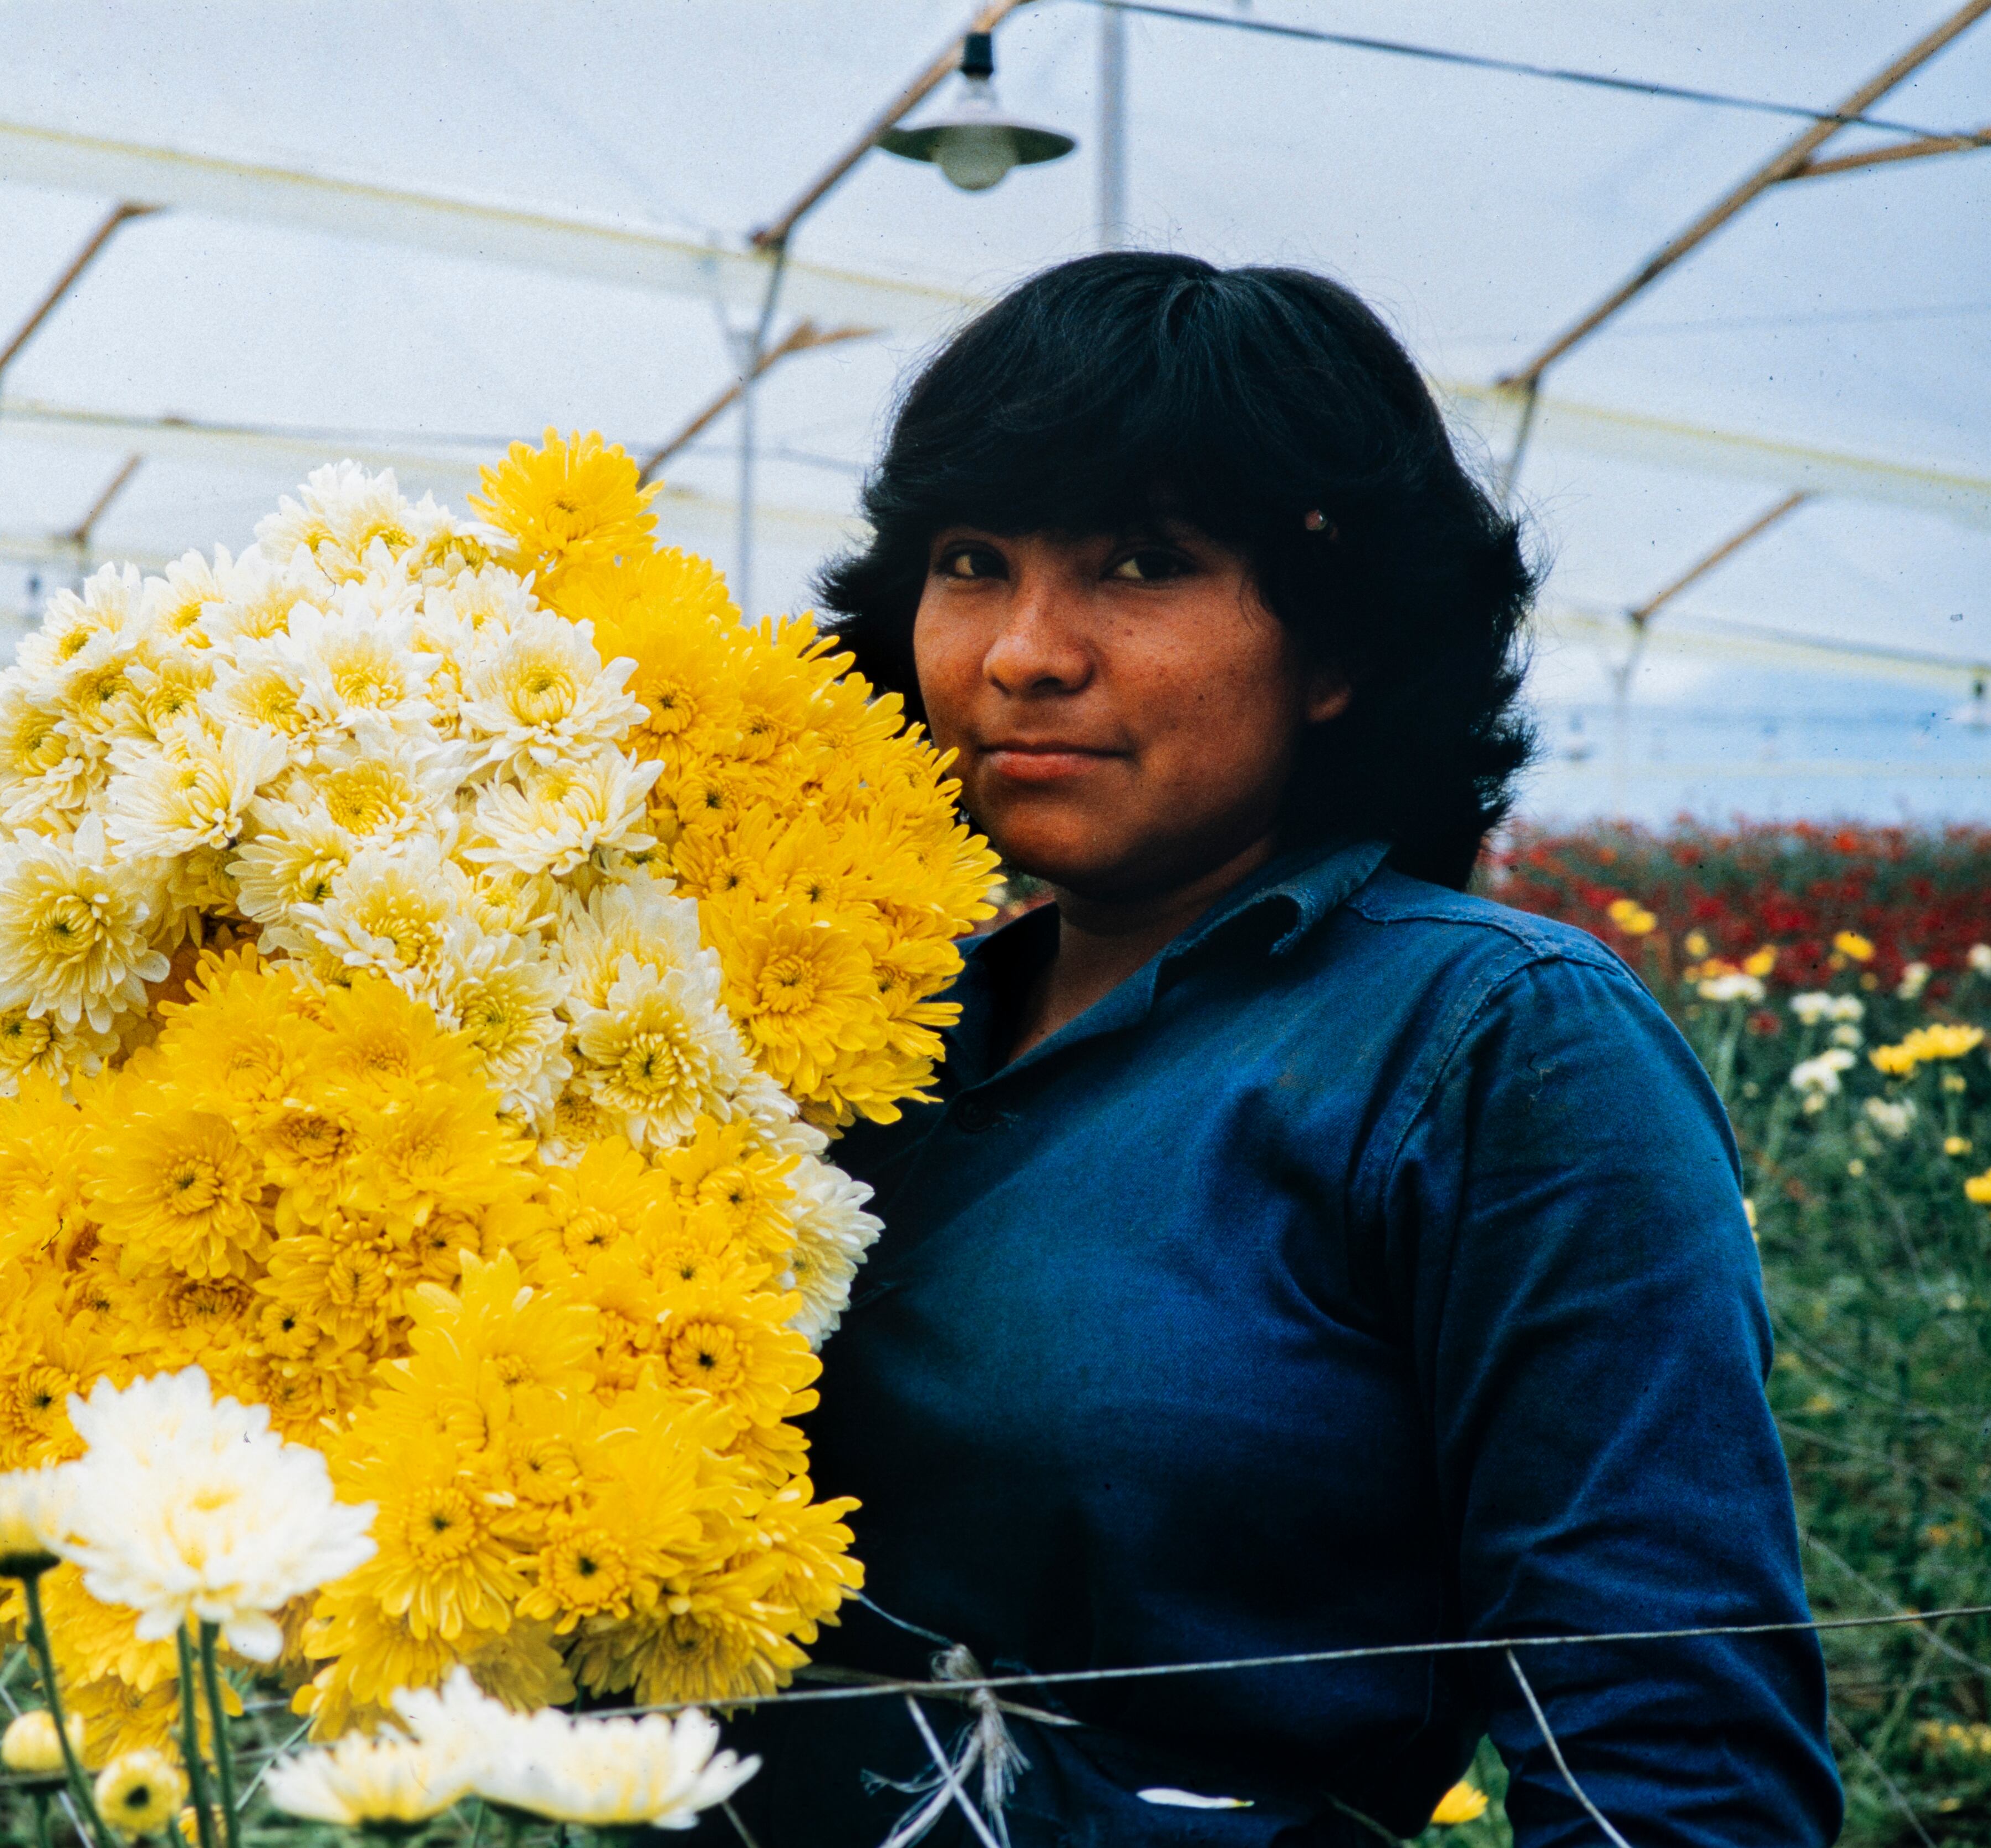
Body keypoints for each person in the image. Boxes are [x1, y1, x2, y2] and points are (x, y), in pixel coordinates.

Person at [707, 253, 1842, 1846]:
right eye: (973, 561)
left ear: (1339, 652)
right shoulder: (828, 1033)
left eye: (1142, 564)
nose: (1024, 652)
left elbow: (1674, 1772)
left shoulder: (1497, 1048)